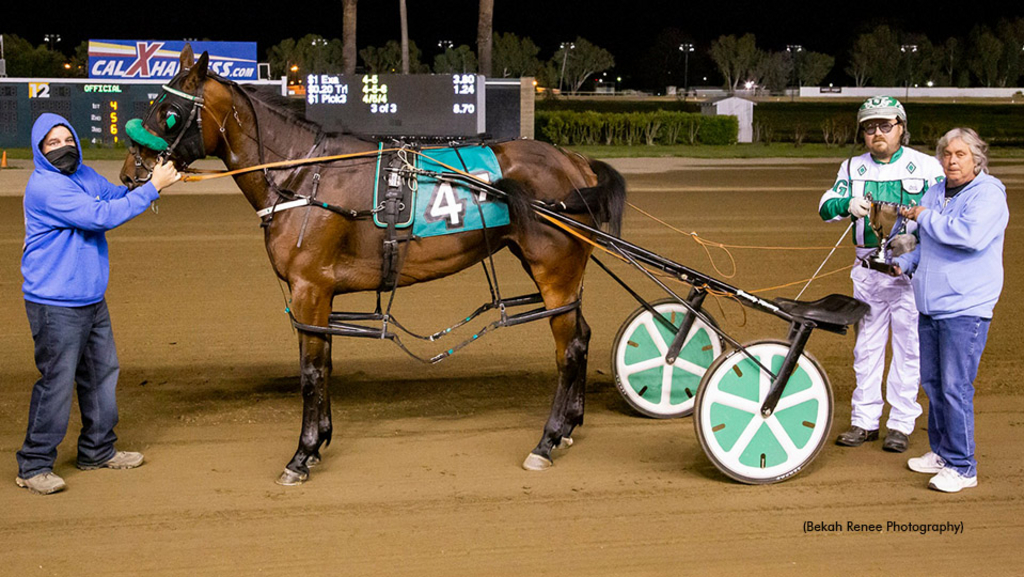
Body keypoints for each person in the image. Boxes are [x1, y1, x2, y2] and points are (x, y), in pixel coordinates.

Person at [16, 113, 180, 495]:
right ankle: (34, 464)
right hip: (54, 304)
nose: (63, 147)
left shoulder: (82, 175)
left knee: (102, 375)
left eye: (66, 139)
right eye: (52, 144)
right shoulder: (47, 187)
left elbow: (115, 197)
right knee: (56, 384)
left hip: (90, 298)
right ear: (40, 151)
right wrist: (152, 188)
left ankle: (97, 450)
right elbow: (100, 216)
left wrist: (153, 181)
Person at [817, 96, 945, 452]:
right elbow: (826, 208)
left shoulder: (926, 166)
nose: (877, 133)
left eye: (885, 125)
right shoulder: (852, 167)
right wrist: (847, 204)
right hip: (867, 271)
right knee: (867, 347)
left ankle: (901, 424)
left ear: (901, 127)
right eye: (869, 127)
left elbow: (944, 212)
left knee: (909, 348)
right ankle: (864, 421)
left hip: (910, 272)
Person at [895, 128, 1008, 493]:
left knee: (955, 387)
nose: (952, 161)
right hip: (930, 304)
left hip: (965, 307)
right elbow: (927, 243)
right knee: (933, 383)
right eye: (946, 154)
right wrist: (906, 260)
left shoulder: (989, 194)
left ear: (977, 158)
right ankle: (942, 453)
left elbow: (969, 236)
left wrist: (924, 216)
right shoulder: (935, 191)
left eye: (960, 154)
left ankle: (963, 466)